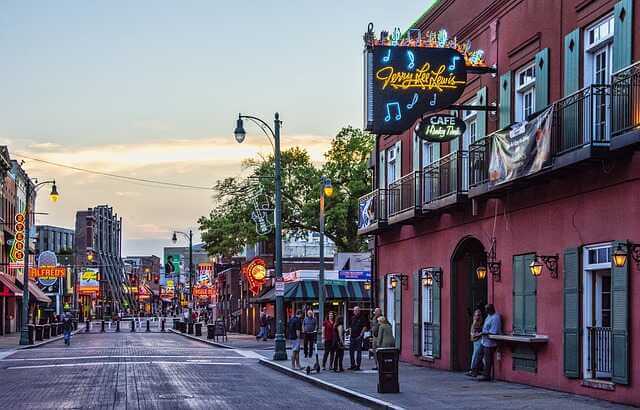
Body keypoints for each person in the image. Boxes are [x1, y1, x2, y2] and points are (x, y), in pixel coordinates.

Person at [470, 304, 501, 381]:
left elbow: (493, 332)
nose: (485, 311)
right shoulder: (489, 316)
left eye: (487, 310)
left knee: (488, 359)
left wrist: (481, 333)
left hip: (490, 343)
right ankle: (474, 371)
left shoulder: (495, 318)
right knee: (478, 355)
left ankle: (486, 376)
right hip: (484, 341)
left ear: (491, 309)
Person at [348, 306, 368, 371]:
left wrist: (361, 335)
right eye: (354, 310)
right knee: (351, 352)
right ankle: (352, 365)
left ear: (359, 311)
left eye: (357, 310)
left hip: (358, 337)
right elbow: (350, 326)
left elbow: (364, 327)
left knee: (359, 352)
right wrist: (350, 333)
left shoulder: (362, 318)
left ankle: (358, 366)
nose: (355, 311)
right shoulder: (352, 317)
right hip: (352, 337)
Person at [467, 309, 484, 376]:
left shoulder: (479, 322)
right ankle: (474, 369)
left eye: (479, 315)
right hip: (477, 340)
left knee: (477, 355)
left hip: (478, 340)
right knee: (476, 355)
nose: (478, 316)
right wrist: (481, 333)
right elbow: (473, 334)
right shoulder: (475, 323)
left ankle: (476, 369)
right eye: (477, 315)